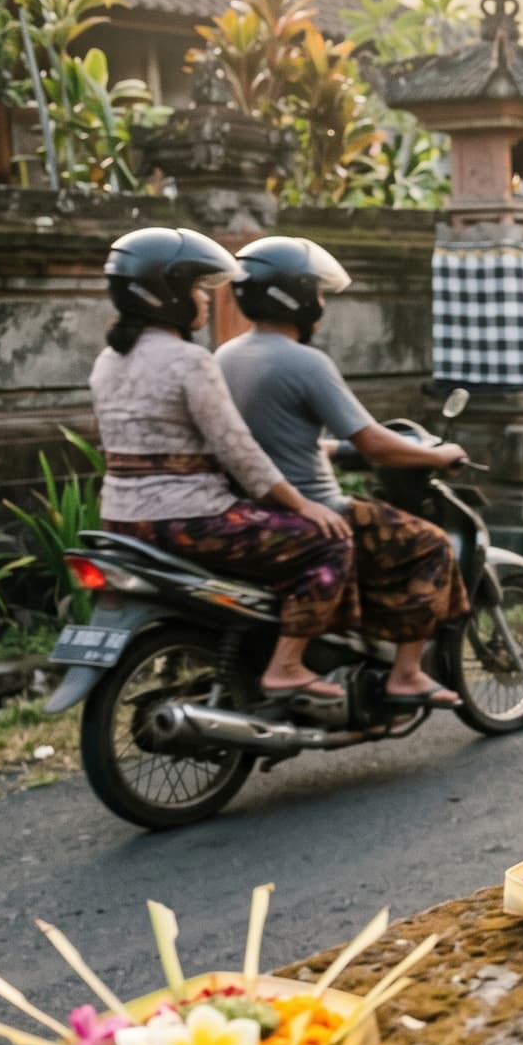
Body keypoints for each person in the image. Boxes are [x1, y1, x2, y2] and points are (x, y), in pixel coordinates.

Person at [89, 227, 355, 708]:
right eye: (196, 289)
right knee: (326, 541)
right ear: (167, 296)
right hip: (188, 521)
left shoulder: (107, 361)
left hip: (121, 522)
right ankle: (287, 665)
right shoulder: (190, 360)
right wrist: (302, 506)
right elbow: (238, 450)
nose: (206, 301)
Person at [217, 237, 469, 710]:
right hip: (316, 512)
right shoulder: (306, 362)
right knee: (431, 545)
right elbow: (373, 442)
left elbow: (267, 434)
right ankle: (407, 674)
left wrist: (323, 449)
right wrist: (439, 455)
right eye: (318, 294)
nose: (322, 306)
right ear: (295, 296)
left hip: (249, 513)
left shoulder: (224, 356)